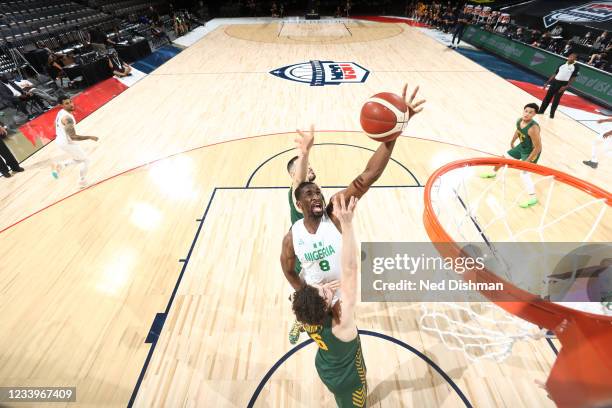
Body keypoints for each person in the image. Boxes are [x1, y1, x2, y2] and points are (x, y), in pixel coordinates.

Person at [281, 84, 425, 337]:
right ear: (298, 203)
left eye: (318, 191)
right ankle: (303, 316)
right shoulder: (293, 228)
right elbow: (287, 267)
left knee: (344, 335)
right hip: (314, 291)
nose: (315, 195)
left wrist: (394, 132)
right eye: (308, 193)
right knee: (311, 319)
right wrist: (304, 293)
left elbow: (367, 177)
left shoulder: (333, 210)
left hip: (340, 292)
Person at [292, 194, 366, 408]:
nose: (326, 287)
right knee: (354, 403)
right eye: (324, 293)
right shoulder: (341, 323)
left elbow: (302, 296)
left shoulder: (305, 314)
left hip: (326, 366)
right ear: (324, 307)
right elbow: (350, 270)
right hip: (347, 379)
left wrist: (321, 291)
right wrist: (347, 224)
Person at [286, 126, 317, 344]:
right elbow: (300, 180)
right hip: (304, 256)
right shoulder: (297, 194)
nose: (309, 169)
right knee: (305, 295)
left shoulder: (312, 191)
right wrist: (304, 154)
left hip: (318, 249)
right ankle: (300, 319)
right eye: (303, 169)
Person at [480, 103, 542, 208]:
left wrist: (527, 161)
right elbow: (518, 130)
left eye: (530, 112)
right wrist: (513, 141)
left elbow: (538, 147)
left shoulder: (533, 128)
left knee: (524, 174)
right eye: (526, 111)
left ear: (534, 115)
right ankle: (493, 173)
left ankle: (533, 198)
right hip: (521, 146)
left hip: (531, 151)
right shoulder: (519, 121)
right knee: (503, 158)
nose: (527, 114)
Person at [51, 96, 98, 188]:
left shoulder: (61, 112)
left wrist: (60, 131)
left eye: (70, 102)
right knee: (86, 160)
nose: (71, 104)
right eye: (67, 103)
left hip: (62, 140)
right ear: (62, 105)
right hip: (67, 142)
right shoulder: (67, 118)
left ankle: (60, 165)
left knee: (79, 159)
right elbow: (74, 137)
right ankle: (82, 181)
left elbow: (55, 123)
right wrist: (89, 137)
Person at [538, 53, 579, 119]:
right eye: (570, 56)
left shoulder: (576, 67)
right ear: (568, 57)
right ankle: (541, 111)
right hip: (555, 82)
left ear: (575, 59)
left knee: (556, 100)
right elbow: (555, 74)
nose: (571, 58)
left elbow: (573, 78)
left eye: (573, 57)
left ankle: (551, 115)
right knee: (547, 97)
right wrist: (547, 82)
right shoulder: (562, 64)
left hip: (563, 84)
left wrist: (566, 86)